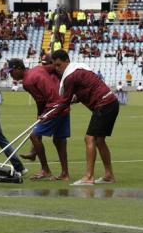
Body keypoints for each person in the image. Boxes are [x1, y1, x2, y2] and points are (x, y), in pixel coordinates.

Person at [49, 50, 118, 186]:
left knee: (89, 138)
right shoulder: (81, 68)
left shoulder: (70, 76)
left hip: (103, 104)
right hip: (111, 102)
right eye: (54, 66)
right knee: (99, 140)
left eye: (58, 65)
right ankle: (108, 175)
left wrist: (49, 114)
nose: (57, 69)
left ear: (66, 61)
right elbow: (83, 91)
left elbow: (64, 101)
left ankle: (88, 177)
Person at [7, 58, 70, 181]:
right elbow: (54, 67)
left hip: (53, 107)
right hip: (63, 106)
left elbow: (40, 100)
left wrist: (40, 115)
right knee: (59, 140)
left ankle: (45, 170)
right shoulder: (38, 68)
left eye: (11, 71)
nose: (10, 75)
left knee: (34, 136)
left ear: (19, 68)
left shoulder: (27, 82)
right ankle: (65, 174)